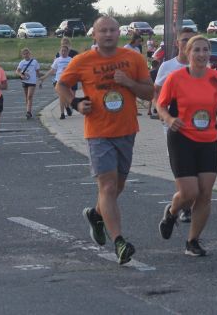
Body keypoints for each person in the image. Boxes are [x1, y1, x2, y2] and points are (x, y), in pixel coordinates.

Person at [57, 16, 153, 265]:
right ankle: (119, 242)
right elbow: (62, 85)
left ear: (119, 33)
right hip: (98, 132)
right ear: (95, 35)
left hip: (126, 130)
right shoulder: (82, 60)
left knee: (117, 188)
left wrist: (129, 82)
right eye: (103, 31)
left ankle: (96, 215)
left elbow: (149, 92)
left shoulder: (133, 58)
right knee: (108, 188)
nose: (108, 34)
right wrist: (76, 103)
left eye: (112, 30)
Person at [157, 35, 217, 257]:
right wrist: (169, 119)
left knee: (205, 194)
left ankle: (192, 241)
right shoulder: (175, 78)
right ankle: (172, 212)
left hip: (208, 140)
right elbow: (160, 105)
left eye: (205, 50)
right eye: (197, 50)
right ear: (188, 53)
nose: (202, 54)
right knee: (189, 193)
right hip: (181, 138)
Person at [153, 27, 196, 222]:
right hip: (173, 122)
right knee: (181, 164)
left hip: (196, 124)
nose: (188, 43)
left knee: (195, 163)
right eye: (184, 40)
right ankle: (186, 206)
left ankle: (188, 200)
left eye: (191, 40)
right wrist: (161, 112)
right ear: (177, 43)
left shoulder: (201, 65)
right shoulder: (168, 66)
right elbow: (156, 91)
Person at [40, 44, 74, 119]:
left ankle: (67, 107)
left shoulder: (71, 60)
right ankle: (62, 113)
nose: (63, 52)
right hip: (59, 81)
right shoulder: (57, 60)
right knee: (61, 96)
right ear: (59, 52)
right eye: (62, 51)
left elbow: (75, 70)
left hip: (67, 81)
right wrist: (44, 77)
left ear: (68, 52)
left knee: (67, 96)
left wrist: (68, 69)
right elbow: (52, 70)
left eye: (65, 51)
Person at [16, 48, 41, 119]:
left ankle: (28, 112)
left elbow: (38, 72)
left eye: (27, 53)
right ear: (22, 55)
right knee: (27, 97)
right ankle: (28, 110)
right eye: (24, 54)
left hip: (32, 81)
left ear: (30, 54)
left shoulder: (34, 62)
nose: (26, 55)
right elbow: (17, 71)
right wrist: (21, 75)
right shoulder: (22, 62)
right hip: (25, 81)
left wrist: (40, 79)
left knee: (29, 96)